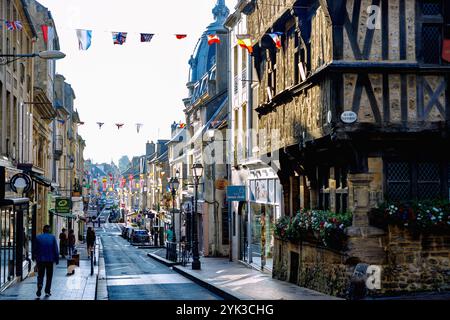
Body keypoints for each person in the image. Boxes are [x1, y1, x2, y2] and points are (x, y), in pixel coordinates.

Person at [32, 225, 59, 298]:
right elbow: (55, 250)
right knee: (49, 276)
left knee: (40, 275)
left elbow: (34, 249)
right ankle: (47, 291)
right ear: (49, 230)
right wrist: (57, 259)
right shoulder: (53, 238)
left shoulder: (38, 237)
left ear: (43, 230)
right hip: (50, 260)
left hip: (40, 260)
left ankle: (40, 285)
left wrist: (34, 258)